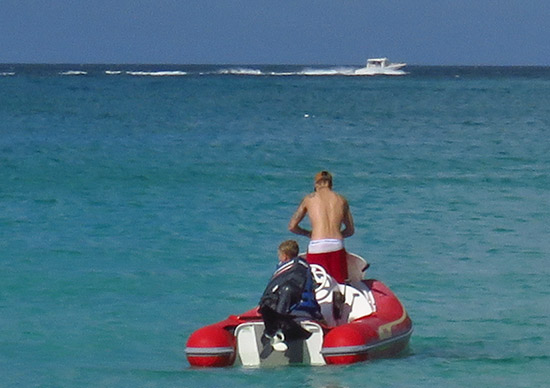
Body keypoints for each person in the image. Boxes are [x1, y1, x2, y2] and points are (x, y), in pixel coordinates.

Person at [288, 171, 355, 283]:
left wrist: (308, 233)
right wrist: (336, 235)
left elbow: (292, 226)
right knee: (339, 285)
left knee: (315, 285)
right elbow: (350, 230)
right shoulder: (341, 200)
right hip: (336, 245)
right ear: (331, 184)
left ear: (316, 184)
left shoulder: (309, 199)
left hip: (316, 246)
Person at [258, 240, 322, 348]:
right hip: (308, 309)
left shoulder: (288, 271)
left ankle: (276, 330)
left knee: (271, 304)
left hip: (294, 310)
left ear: (285, 257)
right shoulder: (304, 268)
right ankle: (277, 330)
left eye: (279, 255)